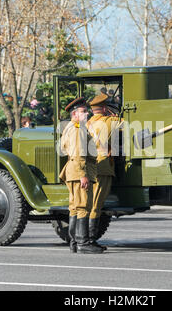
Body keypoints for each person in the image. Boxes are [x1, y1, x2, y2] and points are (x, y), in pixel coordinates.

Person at [59, 97, 101, 254]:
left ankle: (75, 242)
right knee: (83, 206)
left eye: (86, 111)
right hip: (78, 172)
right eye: (83, 112)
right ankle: (83, 243)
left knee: (75, 208)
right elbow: (78, 154)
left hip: (73, 172)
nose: (87, 114)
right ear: (74, 115)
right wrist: (83, 175)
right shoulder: (77, 130)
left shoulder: (72, 128)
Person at [86, 93, 124, 250]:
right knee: (96, 204)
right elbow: (127, 124)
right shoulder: (110, 121)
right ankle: (89, 239)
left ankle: (83, 238)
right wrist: (113, 114)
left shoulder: (88, 123)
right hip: (103, 167)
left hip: (90, 166)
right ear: (104, 108)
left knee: (88, 203)